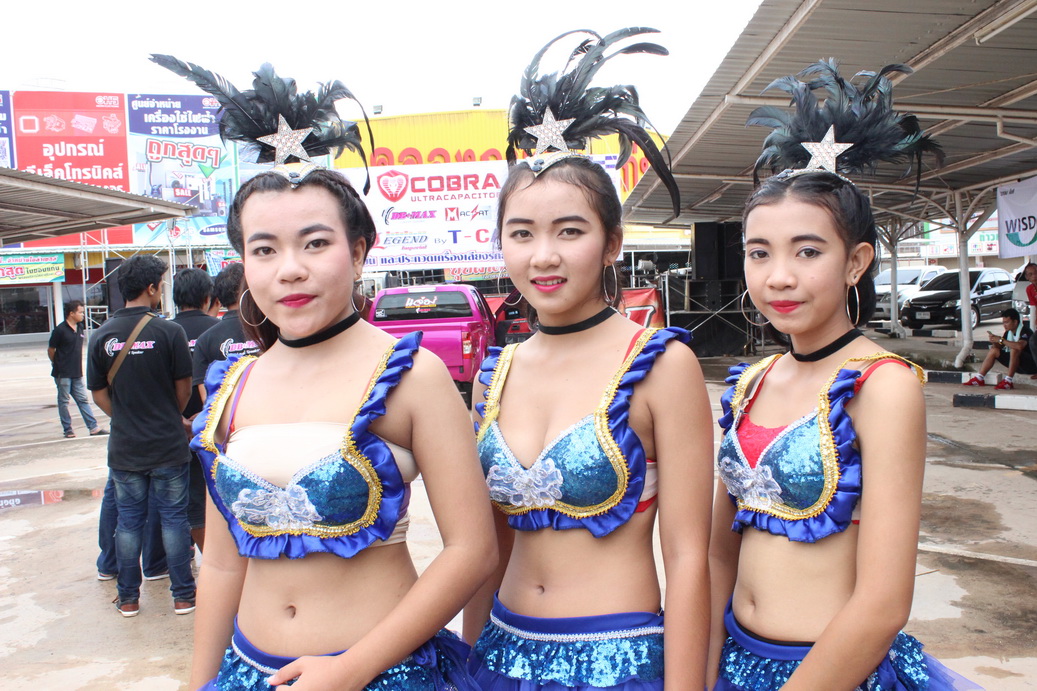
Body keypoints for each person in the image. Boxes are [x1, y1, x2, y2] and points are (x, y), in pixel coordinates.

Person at [150, 55, 495, 690]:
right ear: (244, 263)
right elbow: (223, 567)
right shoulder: (233, 385)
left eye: (315, 243)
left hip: (382, 675)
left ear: (359, 251)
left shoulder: (411, 375)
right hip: (249, 672)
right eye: (264, 249)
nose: (290, 269)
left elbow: (472, 550)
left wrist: (350, 669)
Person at [709, 60, 978, 690]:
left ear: (856, 262)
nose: (779, 276)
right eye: (759, 253)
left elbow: (882, 604)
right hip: (733, 665)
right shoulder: (750, 383)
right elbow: (719, 553)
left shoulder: (883, 385)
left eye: (808, 251)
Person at [465, 30, 714, 690]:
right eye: (522, 233)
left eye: (569, 231)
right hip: (501, 654)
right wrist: (468, 664)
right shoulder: (495, 373)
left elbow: (689, 558)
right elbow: (487, 549)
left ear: (611, 243)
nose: (543, 255)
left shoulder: (659, 364)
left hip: (617, 661)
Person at [87, 254, 197, 618]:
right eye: (160, 285)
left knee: (128, 523)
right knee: (174, 520)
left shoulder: (100, 336)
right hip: (168, 444)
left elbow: (98, 393)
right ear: (151, 288)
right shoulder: (169, 332)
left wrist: (126, 418)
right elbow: (183, 388)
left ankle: (129, 598)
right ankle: (183, 596)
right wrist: (164, 415)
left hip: (125, 448)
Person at [172, 268, 219, 552]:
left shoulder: (165, 331)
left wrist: (177, 418)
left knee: (190, 500)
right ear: (207, 297)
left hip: (178, 429)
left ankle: (205, 554)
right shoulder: (217, 331)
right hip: (217, 427)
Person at [192, 262, 261, 403]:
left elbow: (207, 398)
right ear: (248, 290)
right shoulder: (270, 330)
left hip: (227, 414)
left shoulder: (205, 340)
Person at [48, 300, 107, 438]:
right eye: (80, 312)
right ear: (71, 313)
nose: (82, 315)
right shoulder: (60, 330)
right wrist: (57, 363)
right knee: (64, 401)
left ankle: (93, 427)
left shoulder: (80, 327)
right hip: (63, 373)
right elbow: (51, 349)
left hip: (77, 372)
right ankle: (68, 429)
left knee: (83, 400)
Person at [963, 307, 1035, 390]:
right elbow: (1000, 346)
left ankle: (1008, 381)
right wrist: (994, 341)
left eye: (1007, 322)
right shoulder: (1008, 332)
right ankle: (979, 378)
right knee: (994, 350)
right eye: (1003, 322)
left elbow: (1019, 346)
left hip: (1030, 365)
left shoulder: (1025, 331)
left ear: (1015, 322)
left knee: (1014, 349)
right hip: (1017, 364)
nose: (1004, 325)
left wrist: (1001, 340)